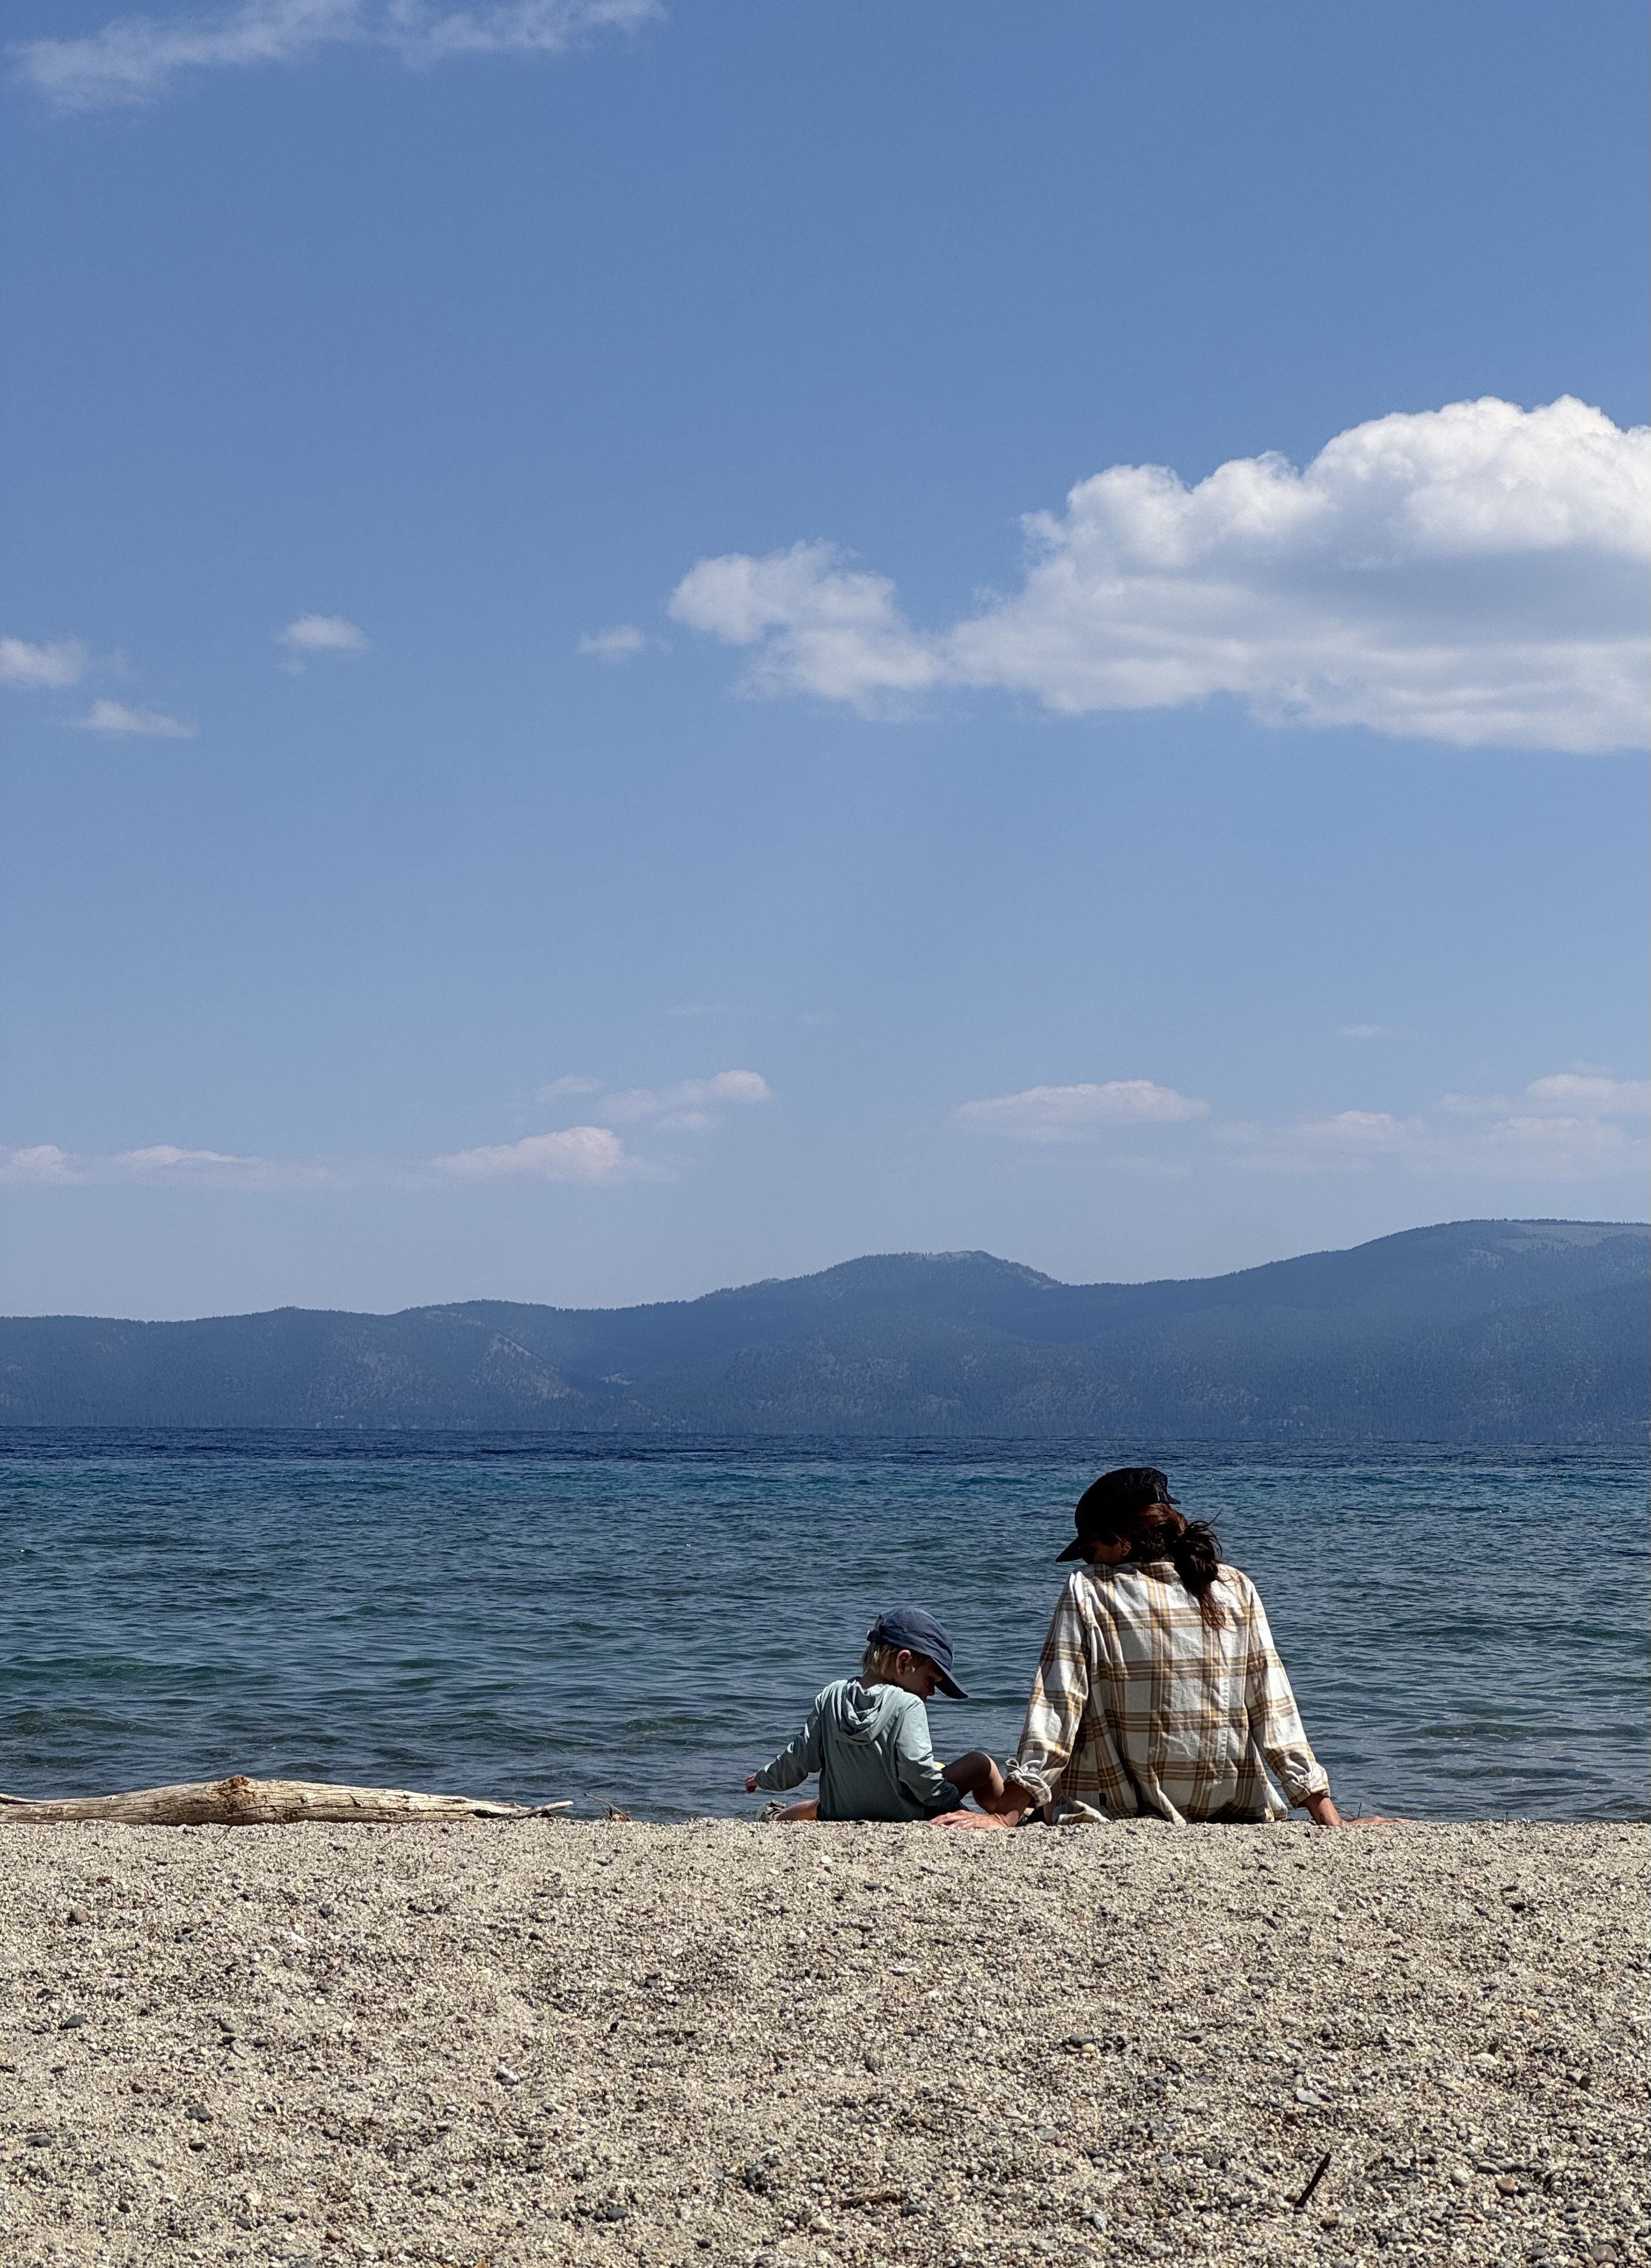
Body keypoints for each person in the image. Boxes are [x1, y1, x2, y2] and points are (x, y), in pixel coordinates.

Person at [957, 1467, 1345, 1828]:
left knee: (1073, 1742)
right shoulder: (1233, 1586)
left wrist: (1005, 1816)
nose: (1090, 1561)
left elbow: (1059, 1705)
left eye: (1091, 1549)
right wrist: (1328, 1816)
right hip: (1232, 1804)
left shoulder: (1088, 1590)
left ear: (1121, 1542)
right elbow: (1272, 1705)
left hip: (1120, 1806)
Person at [743, 1607, 1009, 1824]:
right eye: (931, 1680)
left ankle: (776, 1817)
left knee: (817, 1806)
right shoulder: (908, 1705)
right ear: (904, 1662)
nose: (932, 1692)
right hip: (903, 1813)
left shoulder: (831, 1695)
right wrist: (954, 1804)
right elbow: (918, 1774)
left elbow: (799, 1759)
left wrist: (765, 1777)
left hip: (840, 1812)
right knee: (980, 1763)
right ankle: (1009, 1813)